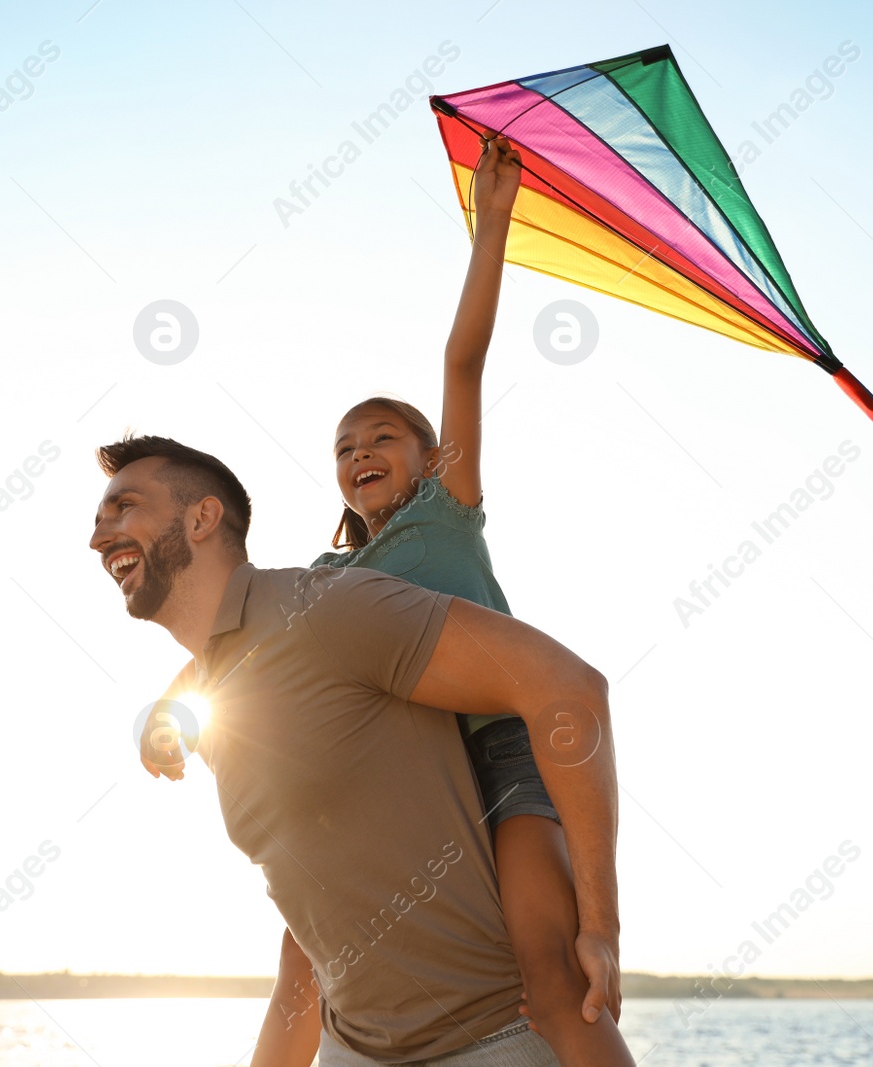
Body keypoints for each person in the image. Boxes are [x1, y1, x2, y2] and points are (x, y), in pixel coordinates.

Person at [140, 135, 637, 1066]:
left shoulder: (449, 510)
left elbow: (463, 359)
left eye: (384, 436)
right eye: (344, 445)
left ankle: (600, 941)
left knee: (547, 967)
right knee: (305, 970)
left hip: (496, 750)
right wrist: (169, 711)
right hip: (396, 781)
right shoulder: (328, 584)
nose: (362, 451)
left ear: (427, 456)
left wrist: (492, 224)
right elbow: (232, 644)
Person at [90, 435, 632, 1065]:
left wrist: (599, 925)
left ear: (203, 518)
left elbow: (569, 691)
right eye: (99, 518)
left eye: (123, 507)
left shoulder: (324, 609)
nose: (99, 537)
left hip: (496, 1041)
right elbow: (304, 954)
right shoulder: (216, 706)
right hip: (351, 1050)